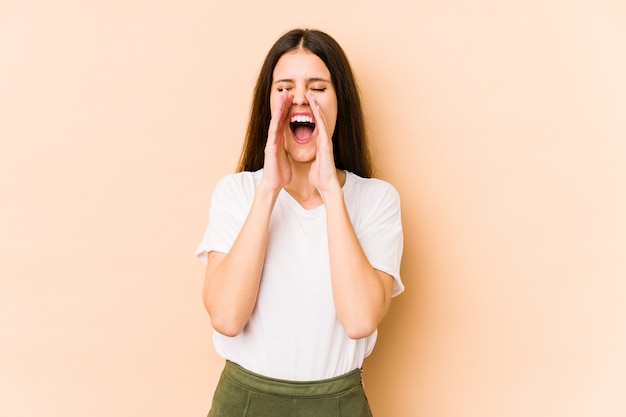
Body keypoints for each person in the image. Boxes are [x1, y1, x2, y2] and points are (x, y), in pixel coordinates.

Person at [195, 28, 404, 417]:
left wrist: (330, 191)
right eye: (284, 87)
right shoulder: (237, 193)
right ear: (268, 103)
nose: (300, 98)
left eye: (318, 87)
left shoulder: (376, 200)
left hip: (339, 404)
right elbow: (226, 318)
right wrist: (269, 189)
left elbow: (359, 320)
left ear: (340, 101)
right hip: (244, 403)